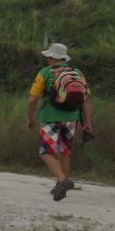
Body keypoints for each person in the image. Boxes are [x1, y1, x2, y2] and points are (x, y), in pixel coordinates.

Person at [25, 43, 93, 201]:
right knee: (64, 151)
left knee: (46, 151)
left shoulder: (45, 72)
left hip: (51, 117)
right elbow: (85, 100)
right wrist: (87, 123)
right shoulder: (77, 72)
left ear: (50, 57)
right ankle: (60, 185)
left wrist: (29, 118)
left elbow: (32, 100)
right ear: (64, 58)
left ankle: (62, 180)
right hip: (72, 117)